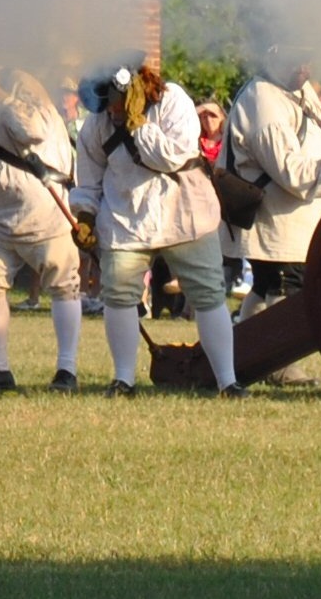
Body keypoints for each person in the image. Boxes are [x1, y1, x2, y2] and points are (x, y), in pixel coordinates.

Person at [71, 58, 239, 397]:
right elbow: (88, 179)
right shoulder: (96, 124)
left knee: (208, 295)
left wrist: (138, 124)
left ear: (132, 88)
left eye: (113, 101)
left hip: (184, 214)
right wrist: (85, 215)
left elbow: (172, 156)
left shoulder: (174, 101)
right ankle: (123, 380)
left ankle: (228, 381)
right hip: (126, 219)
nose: (110, 110)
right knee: (119, 298)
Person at [0, 70, 83, 392]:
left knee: (63, 286)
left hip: (43, 213)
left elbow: (33, 130)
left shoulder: (21, 83)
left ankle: (67, 371)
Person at [223, 64, 321, 306]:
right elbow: (289, 170)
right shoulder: (263, 98)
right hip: (278, 224)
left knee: (263, 288)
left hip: (295, 224)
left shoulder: (300, 90)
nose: (306, 68)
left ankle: (242, 333)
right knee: (285, 293)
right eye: (299, 59)